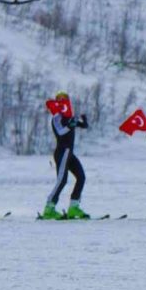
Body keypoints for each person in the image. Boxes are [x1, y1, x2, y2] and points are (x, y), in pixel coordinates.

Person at [41, 91, 91, 220]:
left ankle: (73, 207)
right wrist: (70, 126)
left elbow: (82, 125)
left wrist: (83, 121)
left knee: (81, 177)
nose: (63, 101)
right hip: (62, 152)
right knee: (62, 181)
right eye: (60, 99)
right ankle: (49, 208)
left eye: (65, 99)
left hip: (69, 153)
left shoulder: (69, 116)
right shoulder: (56, 117)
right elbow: (61, 132)